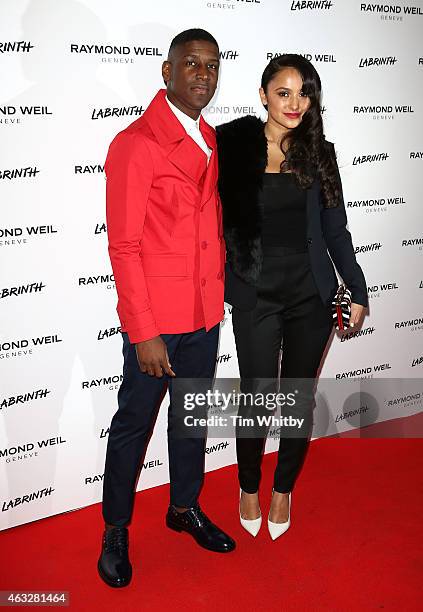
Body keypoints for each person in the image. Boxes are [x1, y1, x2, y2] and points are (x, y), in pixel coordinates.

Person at [98, 28, 235, 589]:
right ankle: (115, 528)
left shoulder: (210, 138)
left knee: (191, 420)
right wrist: (144, 332)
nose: (203, 74)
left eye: (211, 65)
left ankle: (183, 508)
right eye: (191, 64)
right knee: (133, 423)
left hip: (204, 316)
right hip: (158, 325)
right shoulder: (135, 143)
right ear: (167, 72)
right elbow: (124, 247)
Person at [216, 54, 368, 540]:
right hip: (255, 293)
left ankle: (283, 488)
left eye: (303, 92)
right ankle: (248, 485)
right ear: (263, 95)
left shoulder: (320, 152)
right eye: (283, 92)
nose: (294, 102)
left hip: (310, 296)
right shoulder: (232, 147)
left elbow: (335, 230)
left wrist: (358, 288)